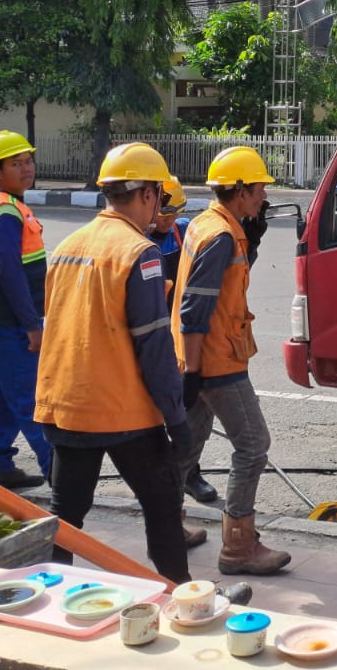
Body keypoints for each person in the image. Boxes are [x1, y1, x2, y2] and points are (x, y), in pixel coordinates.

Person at [34, 142, 194, 582]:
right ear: (146, 194)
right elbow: (154, 346)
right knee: (162, 504)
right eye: (159, 197)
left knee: (65, 517)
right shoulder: (139, 253)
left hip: (66, 404)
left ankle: (48, 598)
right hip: (122, 411)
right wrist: (176, 419)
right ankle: (182, 597)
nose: (158, 207)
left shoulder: (67, 245)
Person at [173, 146, 291, 575]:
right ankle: (239, 546)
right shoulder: (221, 236)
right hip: (216, 360)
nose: (263, 197)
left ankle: (166, 528)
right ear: (240, 191)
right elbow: (195, 307)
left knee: (188, 445)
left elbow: (224, 282)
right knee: (253, 444)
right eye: (259, 189)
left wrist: (253, 242)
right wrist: (192, 370)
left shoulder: (212, 224)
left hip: (201, 358)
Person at [0, 131, 50, 490]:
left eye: (28, 161)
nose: (26, 169)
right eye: (16, 164)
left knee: (0, 392)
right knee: (30, 396)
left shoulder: (11, 205)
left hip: (0, 321)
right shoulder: (4, 211)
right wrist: (32, 325)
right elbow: (11, 275)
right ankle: (60, 475)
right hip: (9, 323)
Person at [151, 177, 217, 507]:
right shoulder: (137, 239)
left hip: (179, 337)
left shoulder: (184, 231)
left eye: (173, 211)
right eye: (163, 212)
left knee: (188, 412)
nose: (167, 219)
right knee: (153, 419)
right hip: (148, 341)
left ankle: (189, 473)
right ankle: (161, 481)